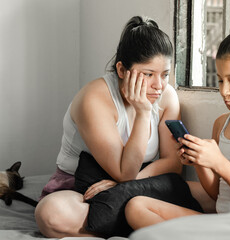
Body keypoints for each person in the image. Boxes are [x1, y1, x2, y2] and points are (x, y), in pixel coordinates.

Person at [125, 16, 230, 230]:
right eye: (221, 80)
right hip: (224, 221)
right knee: (136, 206)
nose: (224, 91)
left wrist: (219, 163)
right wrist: (201, 162)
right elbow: (216, 193)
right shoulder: (222, 123)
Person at [35, 16, 183, 238]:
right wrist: (143, 113)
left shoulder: (167, 96)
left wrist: (124, 184)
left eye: (165, 74)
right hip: (83, 189)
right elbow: (124, 172)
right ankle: (137, 226)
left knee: (207, 196)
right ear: (122, 70)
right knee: (51, 214)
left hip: (137, 186)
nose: (159, 86)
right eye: (148, 74)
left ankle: (125, 224)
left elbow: (173, 163)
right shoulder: (95, 98)